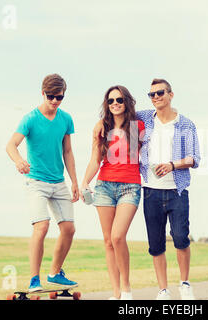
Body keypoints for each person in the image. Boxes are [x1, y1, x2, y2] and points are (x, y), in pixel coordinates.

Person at [94, 78, 200, 300]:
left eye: (160, 93)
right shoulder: (143, 119)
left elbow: (195, 158)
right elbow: (119, 113)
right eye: (152, 94)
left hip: (177, 189)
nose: (156, 97)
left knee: (180, 238)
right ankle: (163, 289)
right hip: (150, 189)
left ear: (171, 95)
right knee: (156, 243)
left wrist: (173, 165)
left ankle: (185, 283)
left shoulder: (186, 124)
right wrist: (100, 123)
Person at [6, 73, 79, 292]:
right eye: (51, 96)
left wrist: (74, 181)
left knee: (69, 228)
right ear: (42, 93)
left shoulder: (65, 119)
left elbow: (67, 151)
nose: (55, 101)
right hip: (36, 181)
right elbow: (11, 145)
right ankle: (34, 279)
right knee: (42, 225)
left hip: (59, 182)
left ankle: (55, 273)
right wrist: (19, 161)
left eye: (60, 97)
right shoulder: (30, 119)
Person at [80, 85, 145, 300]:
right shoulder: (101, 128)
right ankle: (116, 293)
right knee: (108, 241)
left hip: (130, 186)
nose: (115, 103)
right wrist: (84, 182)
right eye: (110, 101)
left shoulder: (138, 126)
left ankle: (126, 288)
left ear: (127, 101)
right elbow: (94, 161)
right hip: (104, 186)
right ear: (107, 105)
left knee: (118, 237)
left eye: (119, 100)